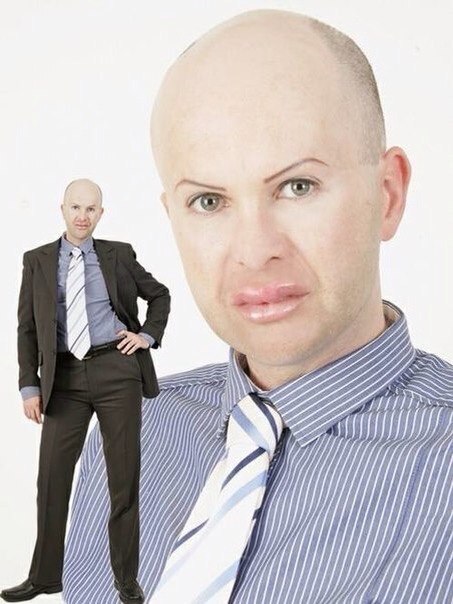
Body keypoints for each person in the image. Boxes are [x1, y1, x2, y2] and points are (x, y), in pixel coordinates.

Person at [62, 10, 451, 604]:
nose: (253, 250)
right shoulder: (133, 431)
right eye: (208, 201)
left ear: (387, 194)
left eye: (297, 187)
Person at [0, 179, 170, 604]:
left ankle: (126, 580)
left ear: (101, 214)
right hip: (64, 378)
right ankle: (44, 577)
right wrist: (28, 385)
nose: (82, 216)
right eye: (75, 207)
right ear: (62, 209)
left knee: (123, 478)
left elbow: (160, 295)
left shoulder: (118, 254)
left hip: (117, 371)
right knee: (52, 477)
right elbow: (26, 328)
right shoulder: (37, 260)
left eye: (91, 209)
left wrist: (146, 336)